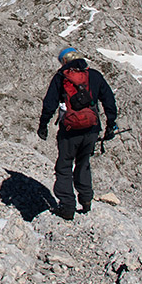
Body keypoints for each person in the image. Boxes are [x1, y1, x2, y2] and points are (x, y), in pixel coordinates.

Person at [38, 47, 118, 220]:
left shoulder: (61, 77)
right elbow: (109, 100)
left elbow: (50, 103)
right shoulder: (94, 76)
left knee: (64, 165)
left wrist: (43, 125)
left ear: (64, 61)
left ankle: (67, 206)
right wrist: (111, 124)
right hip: (91, 129)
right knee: (83, 163)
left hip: (70, 130)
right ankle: (86, 201)